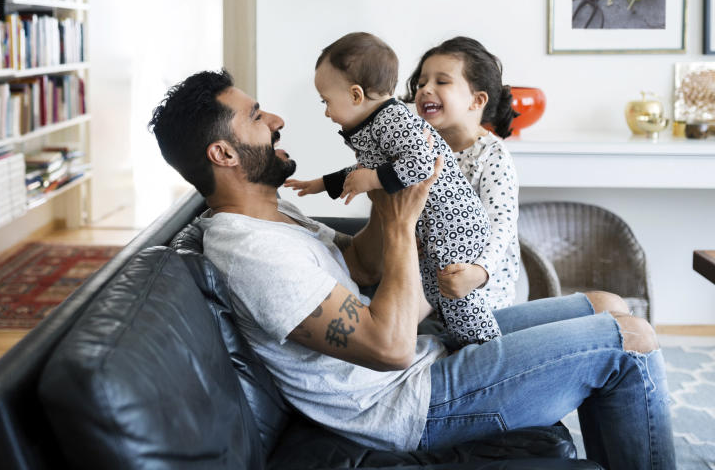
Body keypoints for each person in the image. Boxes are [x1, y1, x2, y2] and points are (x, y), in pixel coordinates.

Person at [148, 68, 676, 469]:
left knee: (610, 306)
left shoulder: (275, 212)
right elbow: (389, 348)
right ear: (224, 152)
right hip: (405, 404)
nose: (277, 121)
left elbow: (359, 263)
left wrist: (390, 185)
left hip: (425, 362)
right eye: (258, 117)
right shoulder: (249, 250)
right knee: (632, 341)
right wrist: (403, 227)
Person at [284, 32, 500, 346]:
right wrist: (321, 184)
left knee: (456, 297)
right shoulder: (374, 124)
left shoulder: (392, 120)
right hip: (433, 230)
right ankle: (458, 342)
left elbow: (422, 164)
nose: (326, 111)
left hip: (454, 225)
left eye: (326, 101)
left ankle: (485, 347)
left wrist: (372, 180)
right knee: (434, 291)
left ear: (356, 95)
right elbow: (368, 169)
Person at [404, 36, 521, 311]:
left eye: (441, 82)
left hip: (483, 299)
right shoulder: (419, 150)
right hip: (426, 291)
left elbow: (500, 225)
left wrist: (479, 272)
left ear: (476, 100)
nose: (425, 90)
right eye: (421, 83)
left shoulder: (491, 155)